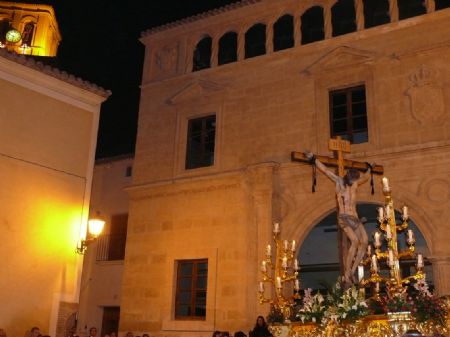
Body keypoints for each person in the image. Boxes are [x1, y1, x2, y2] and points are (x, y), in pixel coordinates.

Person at [305, 151, 370, 286]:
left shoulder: (355, 184)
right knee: (355, 241)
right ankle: (347, 273)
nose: (354, 183)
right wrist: (313, 159)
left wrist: (370, 168)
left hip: (355, 218)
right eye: (352, 180)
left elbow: (365, 177)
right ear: (348, 177)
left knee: (364, 241)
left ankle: (352, 271)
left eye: (355, 181)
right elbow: (326, 171)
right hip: (344, 217)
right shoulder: (340, 182)